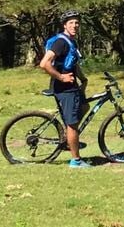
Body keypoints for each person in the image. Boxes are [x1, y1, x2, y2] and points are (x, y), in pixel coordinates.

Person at [38, 12, 90, 167]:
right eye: (71, 23)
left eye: (77, 23)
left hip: (72, 86)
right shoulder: (61, 42)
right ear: (65, 25)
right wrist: (61, 77)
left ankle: (69, 137)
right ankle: (76, 161)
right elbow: (44, 63)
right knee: (72, 124)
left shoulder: (71, 42)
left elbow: (73, 64)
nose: (75, 25)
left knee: (85, 106)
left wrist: (83, 79)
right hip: (64, 88)